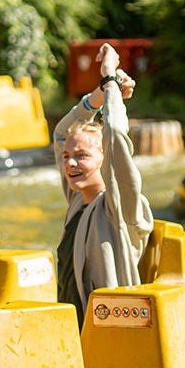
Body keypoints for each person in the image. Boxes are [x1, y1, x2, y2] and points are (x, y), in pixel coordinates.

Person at [52, 42, 154, 324]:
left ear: (103, 157)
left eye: (82, 156)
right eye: (67, 157)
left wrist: (110, 78)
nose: (70, 163)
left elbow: (116, 136)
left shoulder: (119, 204)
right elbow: (61, 133)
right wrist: (99, 94)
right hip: (76, 331)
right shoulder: (76, 200)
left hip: (112, 335)